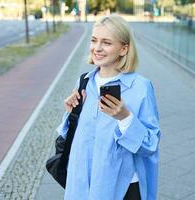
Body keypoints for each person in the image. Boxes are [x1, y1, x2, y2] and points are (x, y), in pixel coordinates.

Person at [57, 14, 161, 200]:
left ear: (123, 49)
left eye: (106, 42)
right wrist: (71, 113)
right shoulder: (84, 82)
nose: (97, 48)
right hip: (82, 183)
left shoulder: (141, 87)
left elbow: (150, 145)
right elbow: (73, 136)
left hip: (122, 187)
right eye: (94, 40)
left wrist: (125, 117)